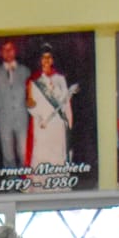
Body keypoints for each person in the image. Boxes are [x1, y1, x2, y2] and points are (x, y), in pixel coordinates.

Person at [25, 47, 74, 186]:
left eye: (49, 57)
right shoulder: (34, 81)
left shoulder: (61, 79)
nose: (46, 60)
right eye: (43, 57)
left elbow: (66, 103)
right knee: (42, 154)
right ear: (39, 60)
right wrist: (35, 110)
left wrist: (69, 122)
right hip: (42, 125)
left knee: (58, 155)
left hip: (57, 124)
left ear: (52, 60)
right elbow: (31, 105)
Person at [0, 39, 29, 170]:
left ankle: (25, 178)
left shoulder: (25, 71)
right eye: (5, 50)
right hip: (4, 120)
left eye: (11, 49)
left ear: (15, 51)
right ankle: (11, 180)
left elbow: (32, 95)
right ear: (0, 53)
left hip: (22, 118)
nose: (8, 52)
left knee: (24, 151)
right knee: (8, 154)